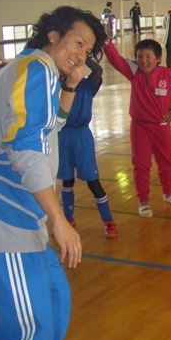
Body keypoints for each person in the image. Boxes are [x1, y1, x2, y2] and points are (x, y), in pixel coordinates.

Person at [0, 6, 105, 340]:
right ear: (53, 35)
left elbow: (54, 124)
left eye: (87, 50)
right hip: (7, 219)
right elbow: (27, 150)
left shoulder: (38, 71)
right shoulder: (35, 70)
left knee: (55, 297)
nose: (82, 54)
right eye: (78, 42)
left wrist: (70, 84)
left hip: (26, 218)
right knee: (29, 331)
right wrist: (60, 221)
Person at [102, 38, 171, 217]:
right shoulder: (133, 70)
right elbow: (116, 60)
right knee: (141, 164)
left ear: (158, 58)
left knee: (166, 162)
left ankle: (168, 193)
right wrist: (107, 44)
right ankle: (143, 201)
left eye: (148, 56)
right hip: (139, 127)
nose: (143, 60)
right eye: (139, 56)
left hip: (161, 127)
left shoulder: (169, 75)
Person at [57, 56, 117, 239]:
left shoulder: (87, 85)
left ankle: (108, 221)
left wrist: (84, 58)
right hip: (62, 135)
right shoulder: (57, 85)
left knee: (93, 181)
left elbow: (98, 70)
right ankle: (68, 220)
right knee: (66, 181)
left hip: (82, 137)